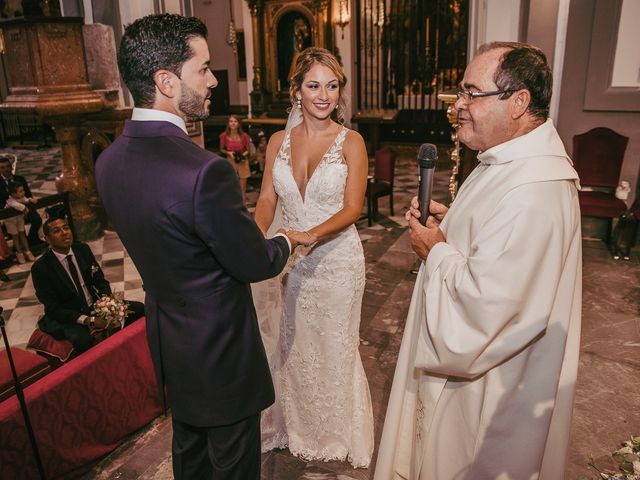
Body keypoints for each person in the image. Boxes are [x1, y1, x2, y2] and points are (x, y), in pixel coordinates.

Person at [94, 14, 293, 480]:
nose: (213, 82)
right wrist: (284, 240)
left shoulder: (107, 161)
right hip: (220, 349)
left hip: (170, 341)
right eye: (203, 69)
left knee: (191, 453)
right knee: (232, 465)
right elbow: (253, 261)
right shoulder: (203, 171)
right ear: (166, 81)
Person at [374, 42, 582, 480]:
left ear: (519, 102)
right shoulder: (508, 162)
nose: (459, 106)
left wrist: (436, 250)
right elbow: (497, 246)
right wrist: (455, 226)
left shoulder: (534, 189)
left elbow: (489, 305)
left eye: (472, 93)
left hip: (490, 389)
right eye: (461, 93)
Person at [254, 46, 374, 467]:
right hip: (292, 260)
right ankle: (296, 425)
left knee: (334, 344)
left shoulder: (352, 142)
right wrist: (256, 235)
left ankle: (334, 431)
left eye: (332, 85)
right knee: (296, 342)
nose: (324, 95)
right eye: (314, 85)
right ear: (296, 91)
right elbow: (268, 198)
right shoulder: (276, 143)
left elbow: (352, 208)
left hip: (337, 260)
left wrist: (308, 234)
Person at [31, 217, 144, 354]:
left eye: (66, 228)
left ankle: (129, 352)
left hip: (95, 307)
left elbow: (99, 279)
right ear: (47, 239)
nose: (64, 233)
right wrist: (88, 320)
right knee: (83, 340)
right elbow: (53, 307)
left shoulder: (82, 250)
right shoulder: (41, 268)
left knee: (138, 309)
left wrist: (106, 303)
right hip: (70, 316)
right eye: (56, 231)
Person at [0, 155, 44, 248]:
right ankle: (18, 247)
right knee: (13, 226)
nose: (6, 169)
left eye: (8, 166)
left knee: (37, 219)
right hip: (8, 211)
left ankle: (32, 239)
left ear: (11, 167)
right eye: (2, 168)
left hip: (24, 207)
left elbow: (28, 195)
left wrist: (27, 205)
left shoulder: (20, 179)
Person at [219, 115, 252, 203]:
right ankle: (233, 201)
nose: (233, 123)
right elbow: (221, 149)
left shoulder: (244, 136)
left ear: (238, 124)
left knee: (243, 185)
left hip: (242, 160)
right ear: (228, 124)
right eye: (231, 121)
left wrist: (242, 155)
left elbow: (248, 150)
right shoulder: (224, 136)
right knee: (231, 183)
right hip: (230, 160)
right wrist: (229, 153)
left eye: (235, 121)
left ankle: (243, 201)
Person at [4, 181, 36, 263]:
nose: (23, 192)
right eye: (21, 191)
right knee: (15, 236)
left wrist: (30, 200)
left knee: (22, 234)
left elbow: (25, 200)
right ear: (13, 194)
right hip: (10, 221)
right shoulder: (10, 201)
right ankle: (19, 253)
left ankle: (28, 251)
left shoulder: (21, 197)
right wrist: (24, 208)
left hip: (19, 219)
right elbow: (16, 205)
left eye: (23, 190)